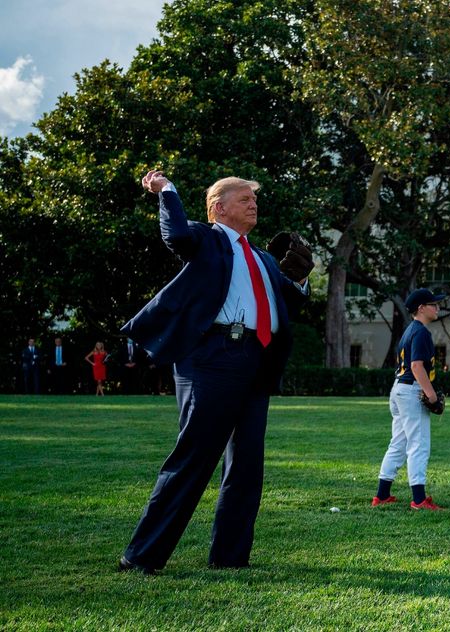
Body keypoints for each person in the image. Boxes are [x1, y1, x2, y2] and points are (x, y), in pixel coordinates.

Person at [117, 170, 311, 575]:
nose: (253, 205)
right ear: (219, 208)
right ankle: (142, 557)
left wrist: (302, 276)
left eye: (254, 200)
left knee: (246, 466)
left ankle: (229, 557)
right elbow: (175, 235)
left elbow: (290, 301)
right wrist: (166, 190)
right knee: (194, 458)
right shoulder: (206, 239)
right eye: (244, 199)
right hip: (212, 357)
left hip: (255, 361)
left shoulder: (261, 257)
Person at [374, 288, 445, 510]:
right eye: (433, 304)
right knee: (419, 444)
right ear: (421, 308)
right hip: (411, 390)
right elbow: (416, 366)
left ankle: (382, 495)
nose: (437, 308)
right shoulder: (421, 332)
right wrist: (431, 394)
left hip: (399, 390)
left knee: (399, 443)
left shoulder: (410, 330)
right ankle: (419, 499)